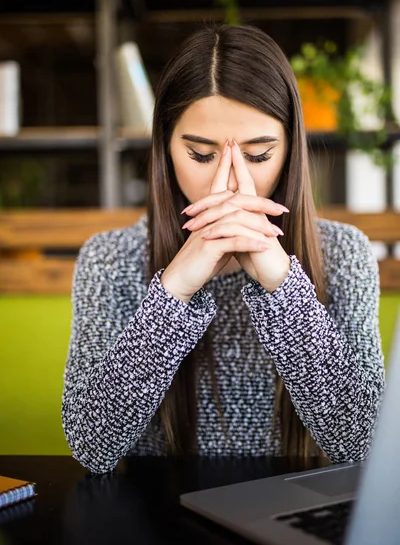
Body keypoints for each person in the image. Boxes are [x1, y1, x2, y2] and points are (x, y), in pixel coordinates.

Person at [62, 24, 385, 475]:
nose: (231, 184)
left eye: (257, 156)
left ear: (290, 150)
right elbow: (93, 446)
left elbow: (363, 442)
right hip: (161, 518)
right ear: (165, 149)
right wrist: (174, 290)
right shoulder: (110, 259)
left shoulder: (344, 252)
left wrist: (282, 285)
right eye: (200, 155)